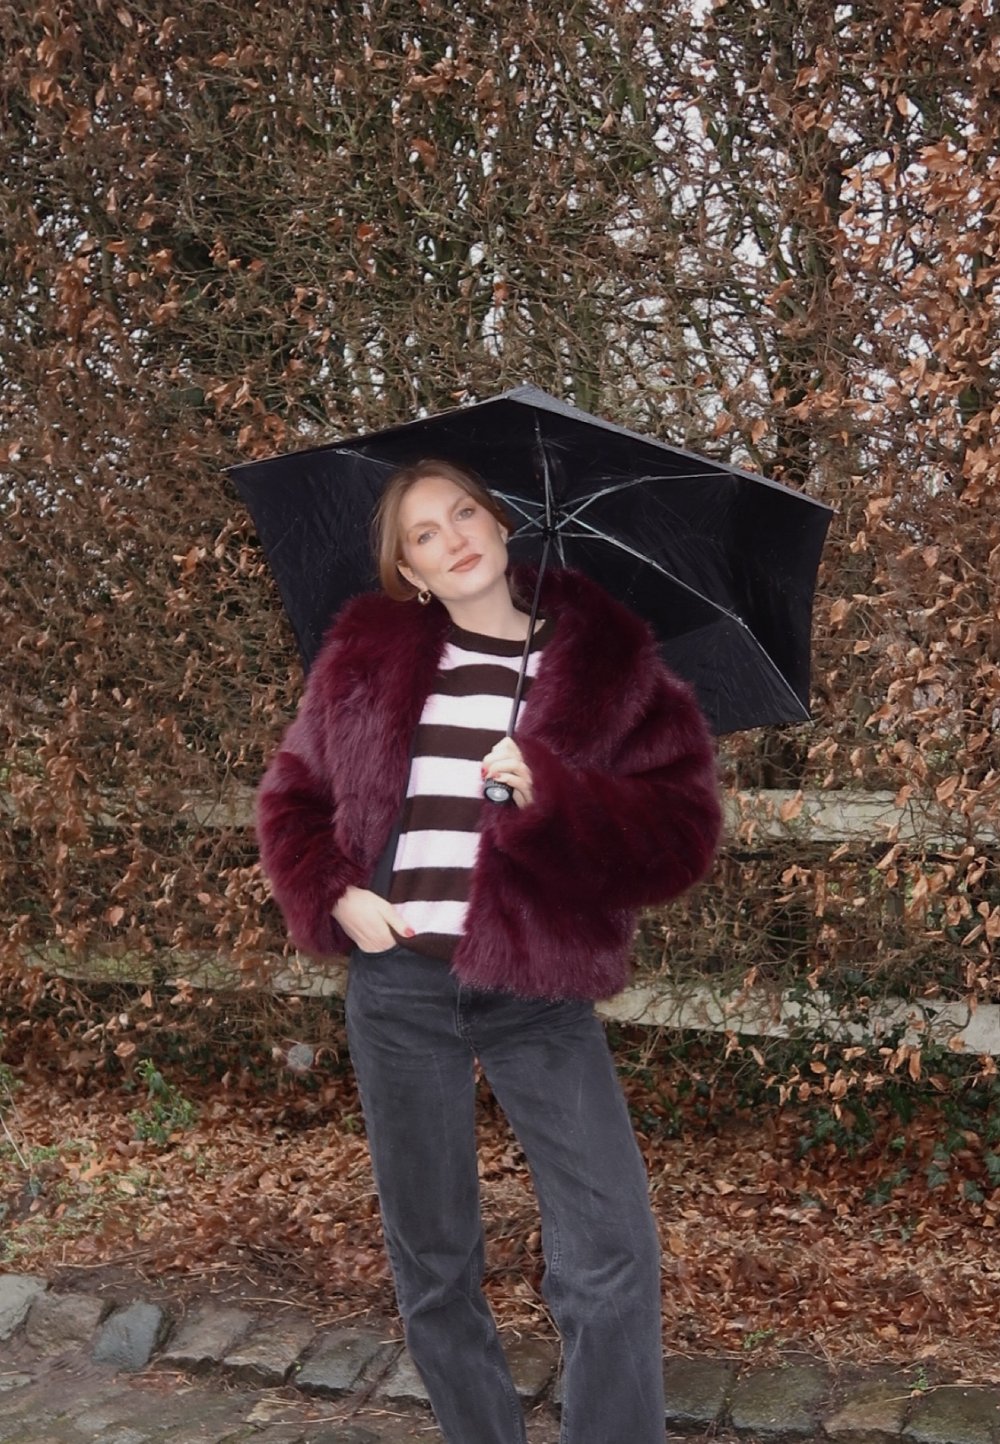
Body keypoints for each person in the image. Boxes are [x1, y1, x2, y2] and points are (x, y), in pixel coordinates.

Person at [256, 458, 722, 1444]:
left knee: (609, 1250)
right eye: (422, 532)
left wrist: (555, 788)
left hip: (536, 990)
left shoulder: (606, 670)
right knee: (433, 1262)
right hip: (398, 987)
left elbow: (681, 832)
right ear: (412, 573)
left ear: (503, 526)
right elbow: (292, 799)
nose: (452, 535)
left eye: (464, 511)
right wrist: (337, 893)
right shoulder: (365, 660)